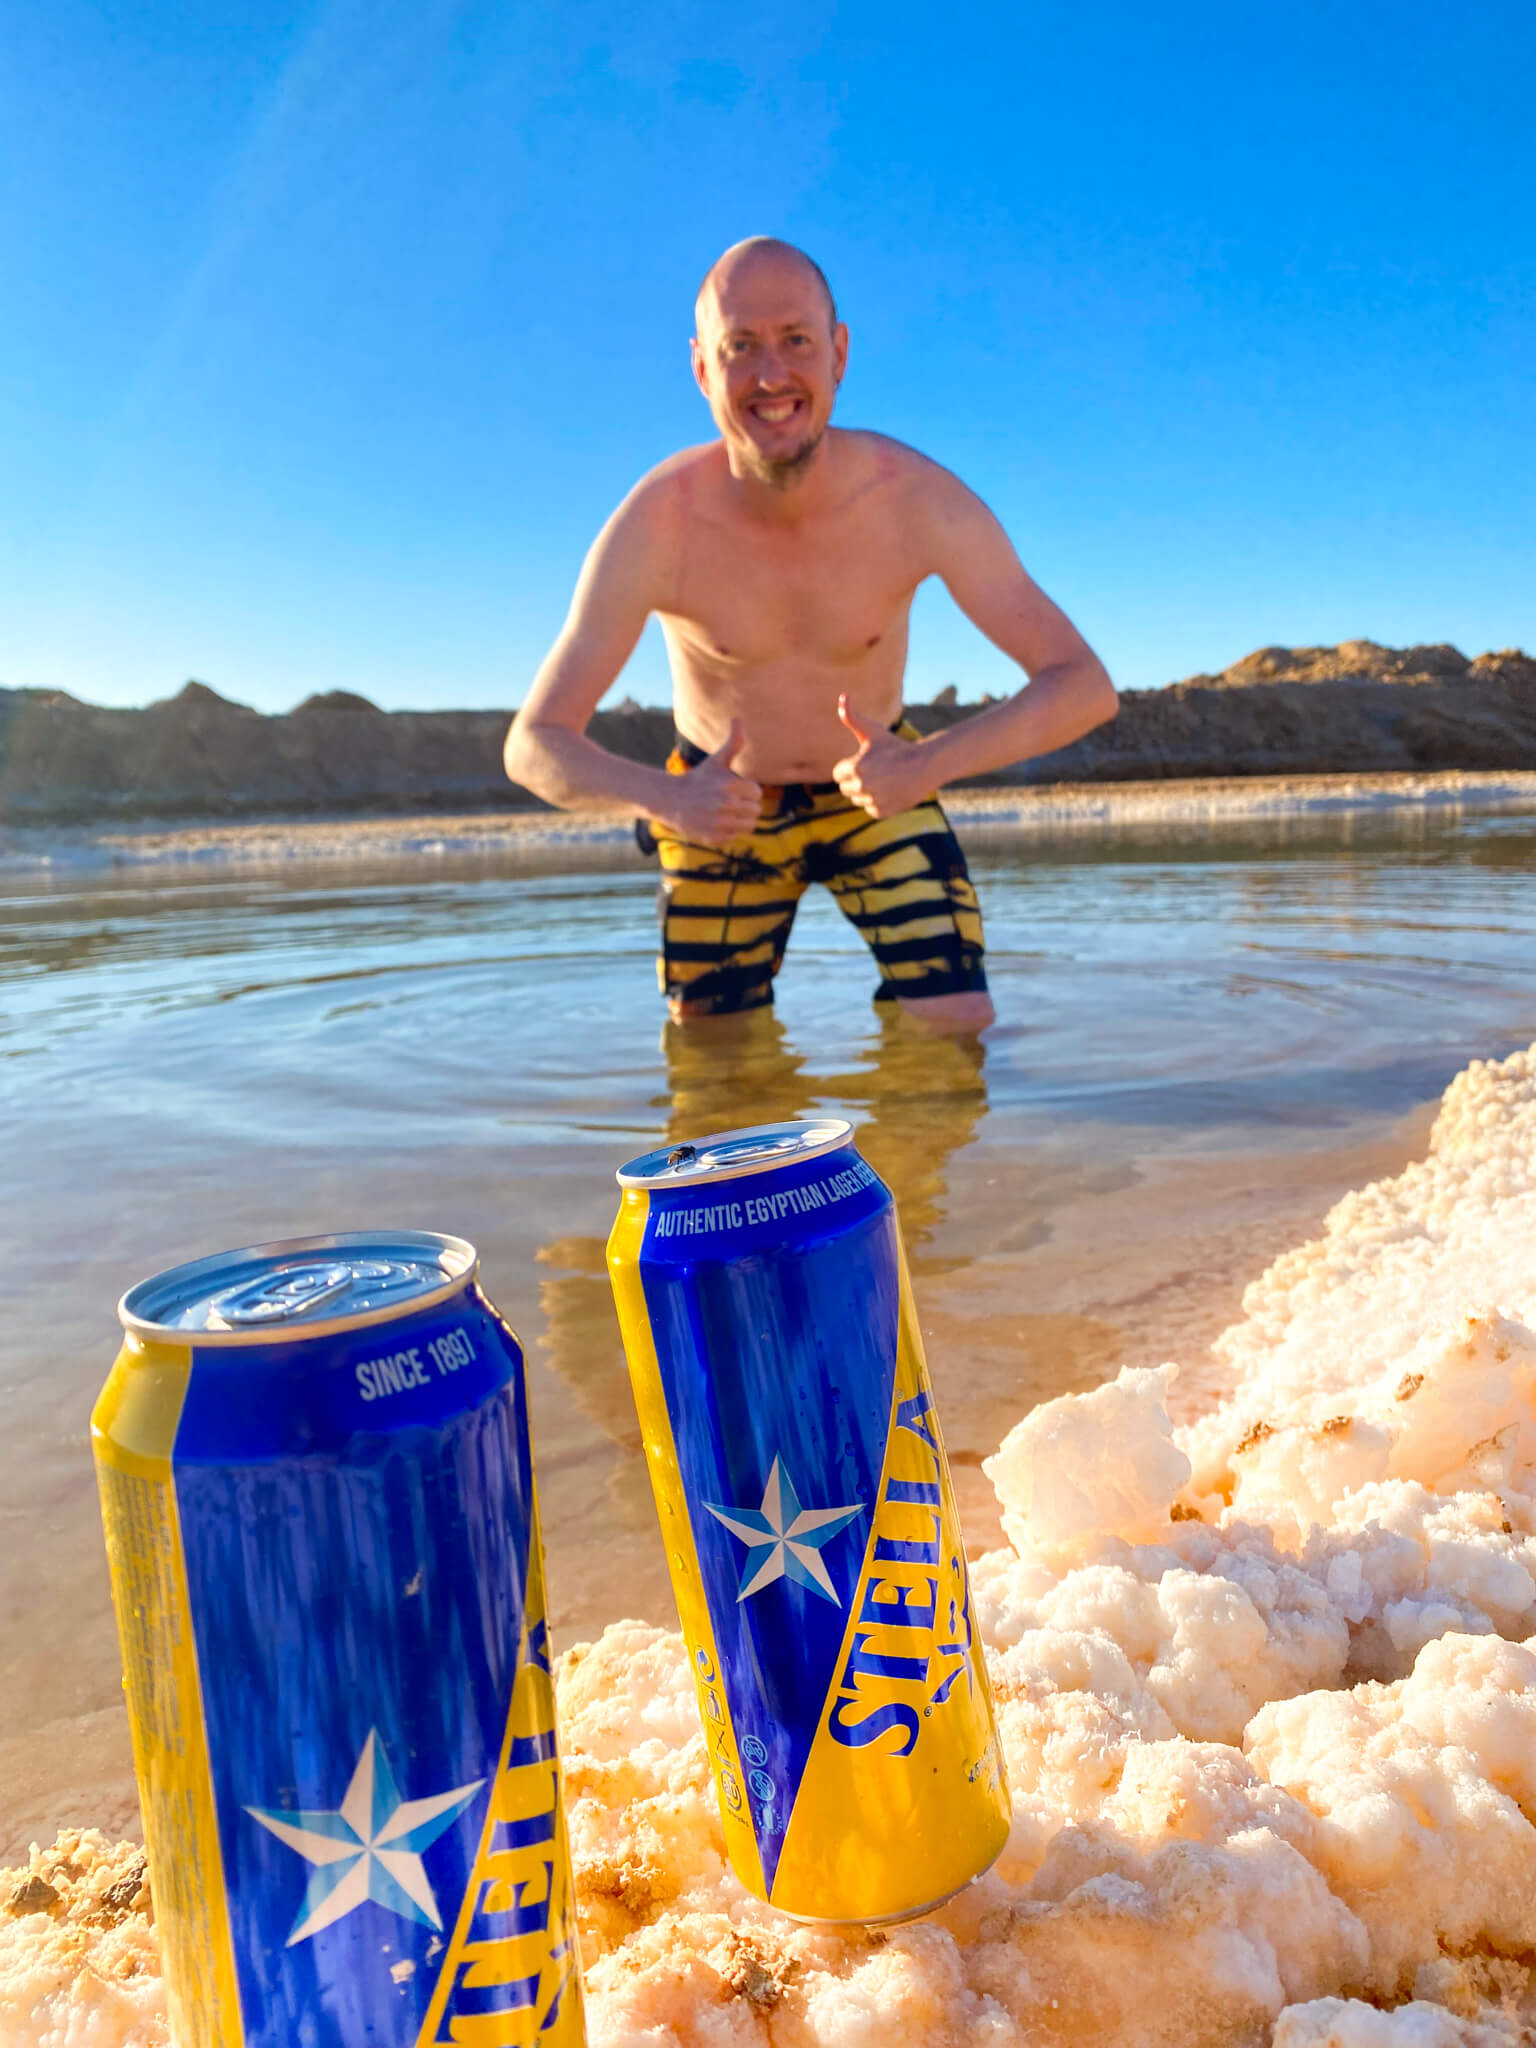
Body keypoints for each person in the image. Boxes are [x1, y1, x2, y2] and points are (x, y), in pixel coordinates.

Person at [504, 236, 1118, 1030]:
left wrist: (927, 764)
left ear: (838, 355)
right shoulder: (656, 524)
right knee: (713, 1049)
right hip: (718, 801)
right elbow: (532, 745)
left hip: (882, 780)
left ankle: (912, 1153)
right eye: (740, 347)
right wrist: (667, 798)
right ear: (701, 369)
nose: (771, 375)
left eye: (796, 341)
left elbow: (1083, 685)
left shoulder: (916, 499)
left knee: (957, 1020)